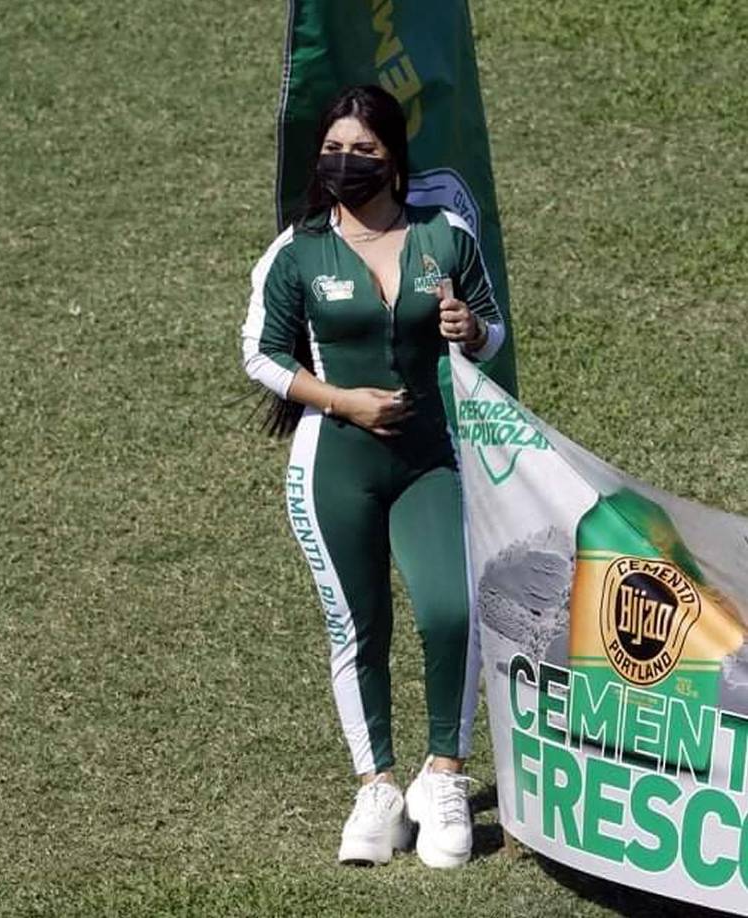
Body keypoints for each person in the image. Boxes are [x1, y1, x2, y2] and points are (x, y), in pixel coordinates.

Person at [241, 84, 505, 869]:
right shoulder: (296, 251)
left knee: (453, 610)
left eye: (362, 150)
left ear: (393, 159)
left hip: (430, 459)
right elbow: (261, 353)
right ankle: (378, 787)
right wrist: (342, 401)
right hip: (333, 465)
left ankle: (443, 775)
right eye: (333, 149)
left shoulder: (444, 236)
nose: (344, 163)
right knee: (358, 628)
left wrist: (470, 328)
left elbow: (490, 332)